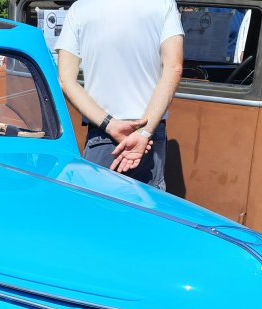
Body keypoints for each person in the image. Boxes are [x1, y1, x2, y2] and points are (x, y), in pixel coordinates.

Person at [56, 0, 184, 190]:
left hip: (102, 132)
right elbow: (173, 68)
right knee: (147, 213)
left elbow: (66, 80)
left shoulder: (80, 8)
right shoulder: (163, 4)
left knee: (98, 210)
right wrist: (143, 132)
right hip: (149, 134)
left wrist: (110, 124)